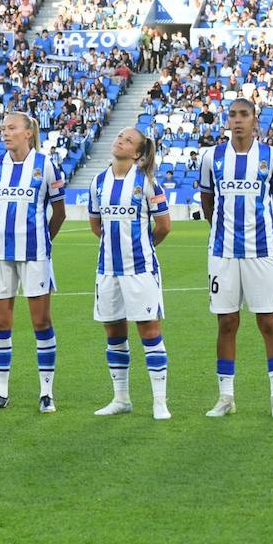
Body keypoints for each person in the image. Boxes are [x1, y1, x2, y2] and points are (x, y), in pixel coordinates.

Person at [199, 98, 273, 419]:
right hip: (222, 254)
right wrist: (221, 232)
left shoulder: (271, 157)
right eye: (233, 115)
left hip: (261, 252)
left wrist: (266, 237)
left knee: (268, 322)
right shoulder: (212, 157)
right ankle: (226, 397)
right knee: (226, 323)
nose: (238, 120)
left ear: (255, 121)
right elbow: (208, 203)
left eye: (244, 115)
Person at [0, 112, 66, 412]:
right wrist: (0, 234)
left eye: (11, 127)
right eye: (3, 128)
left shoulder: (46, 165)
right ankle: (0, 392)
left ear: (28, 133)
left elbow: (60, 212)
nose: (5, 132)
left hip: (36, 255)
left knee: (41, 322)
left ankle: (47, 393)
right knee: (1, 322)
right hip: (0, 255)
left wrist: (42, 240)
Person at [87, 128, 172, 420]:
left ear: (137, 153)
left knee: (149, 332)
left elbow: (163, 226)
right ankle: (121, 398)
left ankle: (159, 401)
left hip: (140, 270)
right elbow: (95, 225)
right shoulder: (97, 182)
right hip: (107, 270)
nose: (120, 140)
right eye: (119, 136)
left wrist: (143, 247)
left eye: (128, 140)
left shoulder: (147, 184)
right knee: (114, 334)